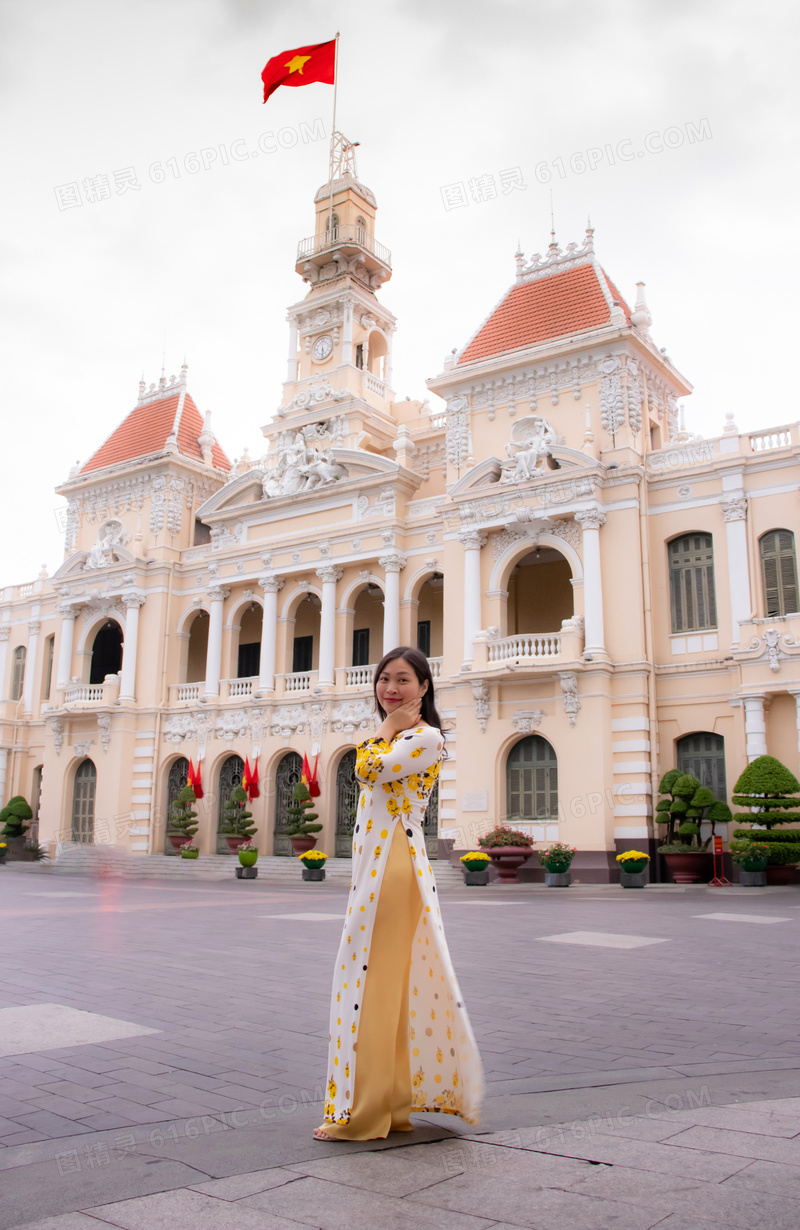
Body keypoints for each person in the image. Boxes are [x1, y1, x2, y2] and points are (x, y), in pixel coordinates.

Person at [313, 646, 484, 1141]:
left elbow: (365, 769)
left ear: (424, 688)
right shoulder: (403, 737)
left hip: (395, 867)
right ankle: (390, 1107)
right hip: (378, 867)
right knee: (378, 987)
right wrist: (386, 734)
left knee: (370, 986)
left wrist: (383, 732)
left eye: (404, 679)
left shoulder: (425, 738)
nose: (391, 688)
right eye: (384, 678)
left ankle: (365, 1115)